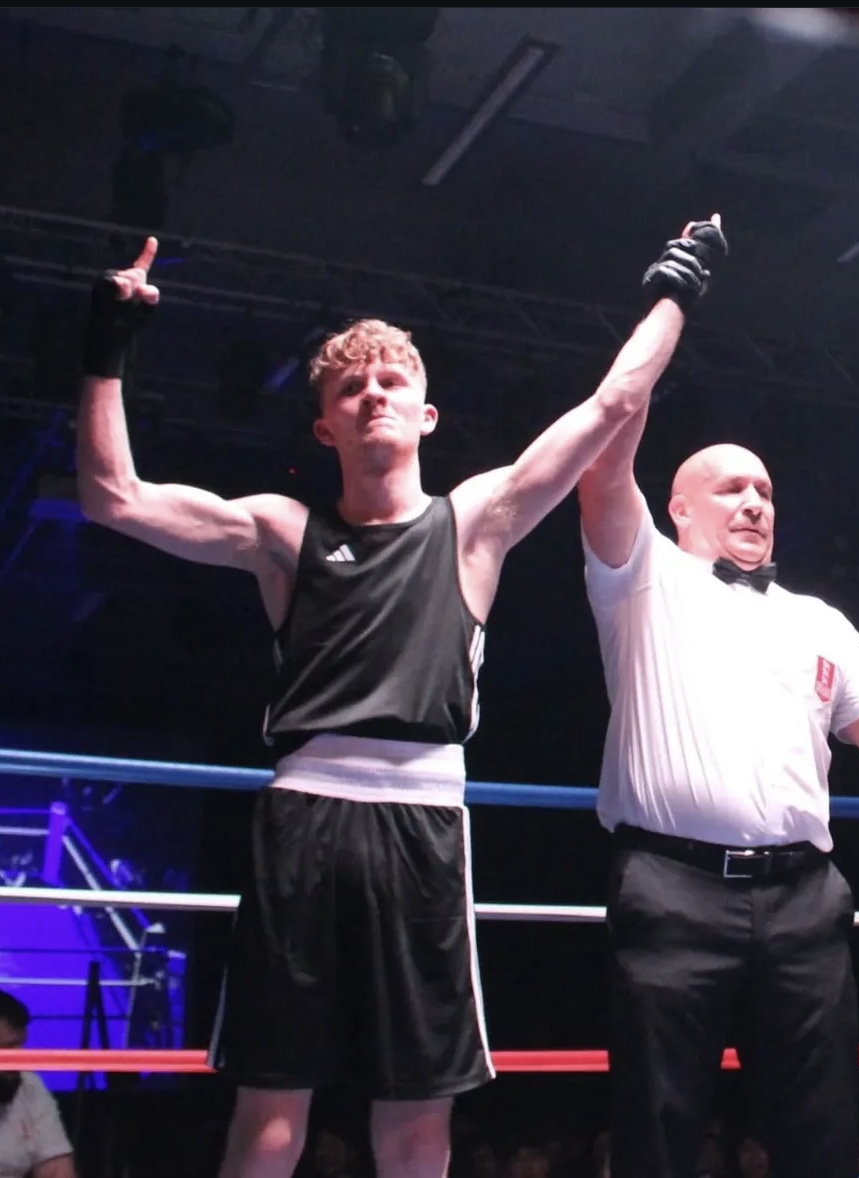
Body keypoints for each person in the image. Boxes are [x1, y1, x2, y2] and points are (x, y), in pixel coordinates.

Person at [75, 216, 720, 1178]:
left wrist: (677, 287)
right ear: (324, 425)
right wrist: (107, 345)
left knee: (418, 1118)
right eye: (350, 387)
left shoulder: (476, 521)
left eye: (390, 381)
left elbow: (613, 402)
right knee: (270, 1112)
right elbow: (113, 496)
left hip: (422, 824)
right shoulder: (281, 531)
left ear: (426, 415)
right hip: (303, 820)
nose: (371, 392)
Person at [578, 239, 859, 1175]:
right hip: (670, 890)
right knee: (658, 1130)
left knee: (819, 1133)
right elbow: (606, 446)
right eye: (730, 488)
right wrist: (670, 303)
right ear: (679, 508)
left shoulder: (818, 621)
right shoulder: (640, 579)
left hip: (804, 900)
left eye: (764, 490)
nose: (755, 502)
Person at [0, 990, 76, 1178]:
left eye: (21, 1045)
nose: (19, 1060)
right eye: (8, 1048)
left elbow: (57, 1169)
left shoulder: (30, 1086)